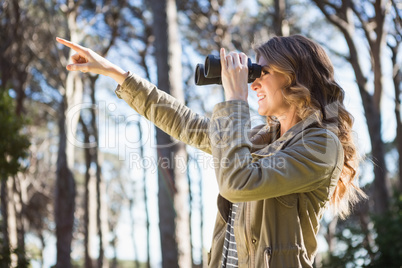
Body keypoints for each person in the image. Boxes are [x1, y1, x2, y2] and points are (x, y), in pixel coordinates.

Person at [56, 35, 366, 267]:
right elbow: (189, 124)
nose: (253, 82)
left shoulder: (322, 144)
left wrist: (235, 99)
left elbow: (239, 183)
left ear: (294, 76)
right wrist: (118, 74)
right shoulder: (262, 138)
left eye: (261, 72)